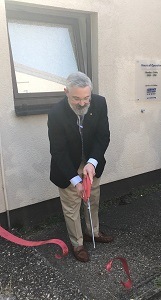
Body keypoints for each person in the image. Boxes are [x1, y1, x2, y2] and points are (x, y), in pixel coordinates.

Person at [48, 71, 113, 263]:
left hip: (91, 163)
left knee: (92, 198)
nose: (82, 103)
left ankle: (92, 231)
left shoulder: (99, 103)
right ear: (66, 92)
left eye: (86, 98)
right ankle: (77, 243)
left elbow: (103, 136)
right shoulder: (56, 113)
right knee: (72, 206)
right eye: (77, 98)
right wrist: (75, 180)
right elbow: (58, 151)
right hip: (68, 166)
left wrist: (93, 162)